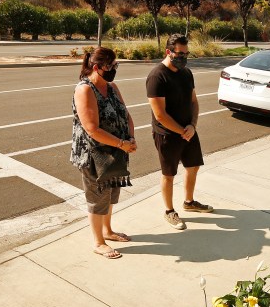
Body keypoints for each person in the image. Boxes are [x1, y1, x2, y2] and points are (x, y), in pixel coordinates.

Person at [71, 47, 137, 259]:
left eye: (116, 65)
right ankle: (98, 242)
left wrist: (131, 138)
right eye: (111, 66)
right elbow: (91, 128)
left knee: (110, 194)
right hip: (94, 154)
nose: (114, 69)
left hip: (117, 150)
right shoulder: (85, 89)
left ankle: (108, 231)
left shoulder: (113, 87)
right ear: (97, 67)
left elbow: (125, 114)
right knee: (97, 197)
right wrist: (121, 143)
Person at [147, 34, 212, 230]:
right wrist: (182, 131)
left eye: (186, 53)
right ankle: (169, 211)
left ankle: (189, 202)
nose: (184, 57)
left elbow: (194, 101)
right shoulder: (157, 76)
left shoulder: (186, 73)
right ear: (169, 52)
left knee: (193, 167)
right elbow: (160, 115)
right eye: (180, 53)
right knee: (169, 174)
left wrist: (192, 125)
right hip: (167, 134)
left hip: (188, 131)